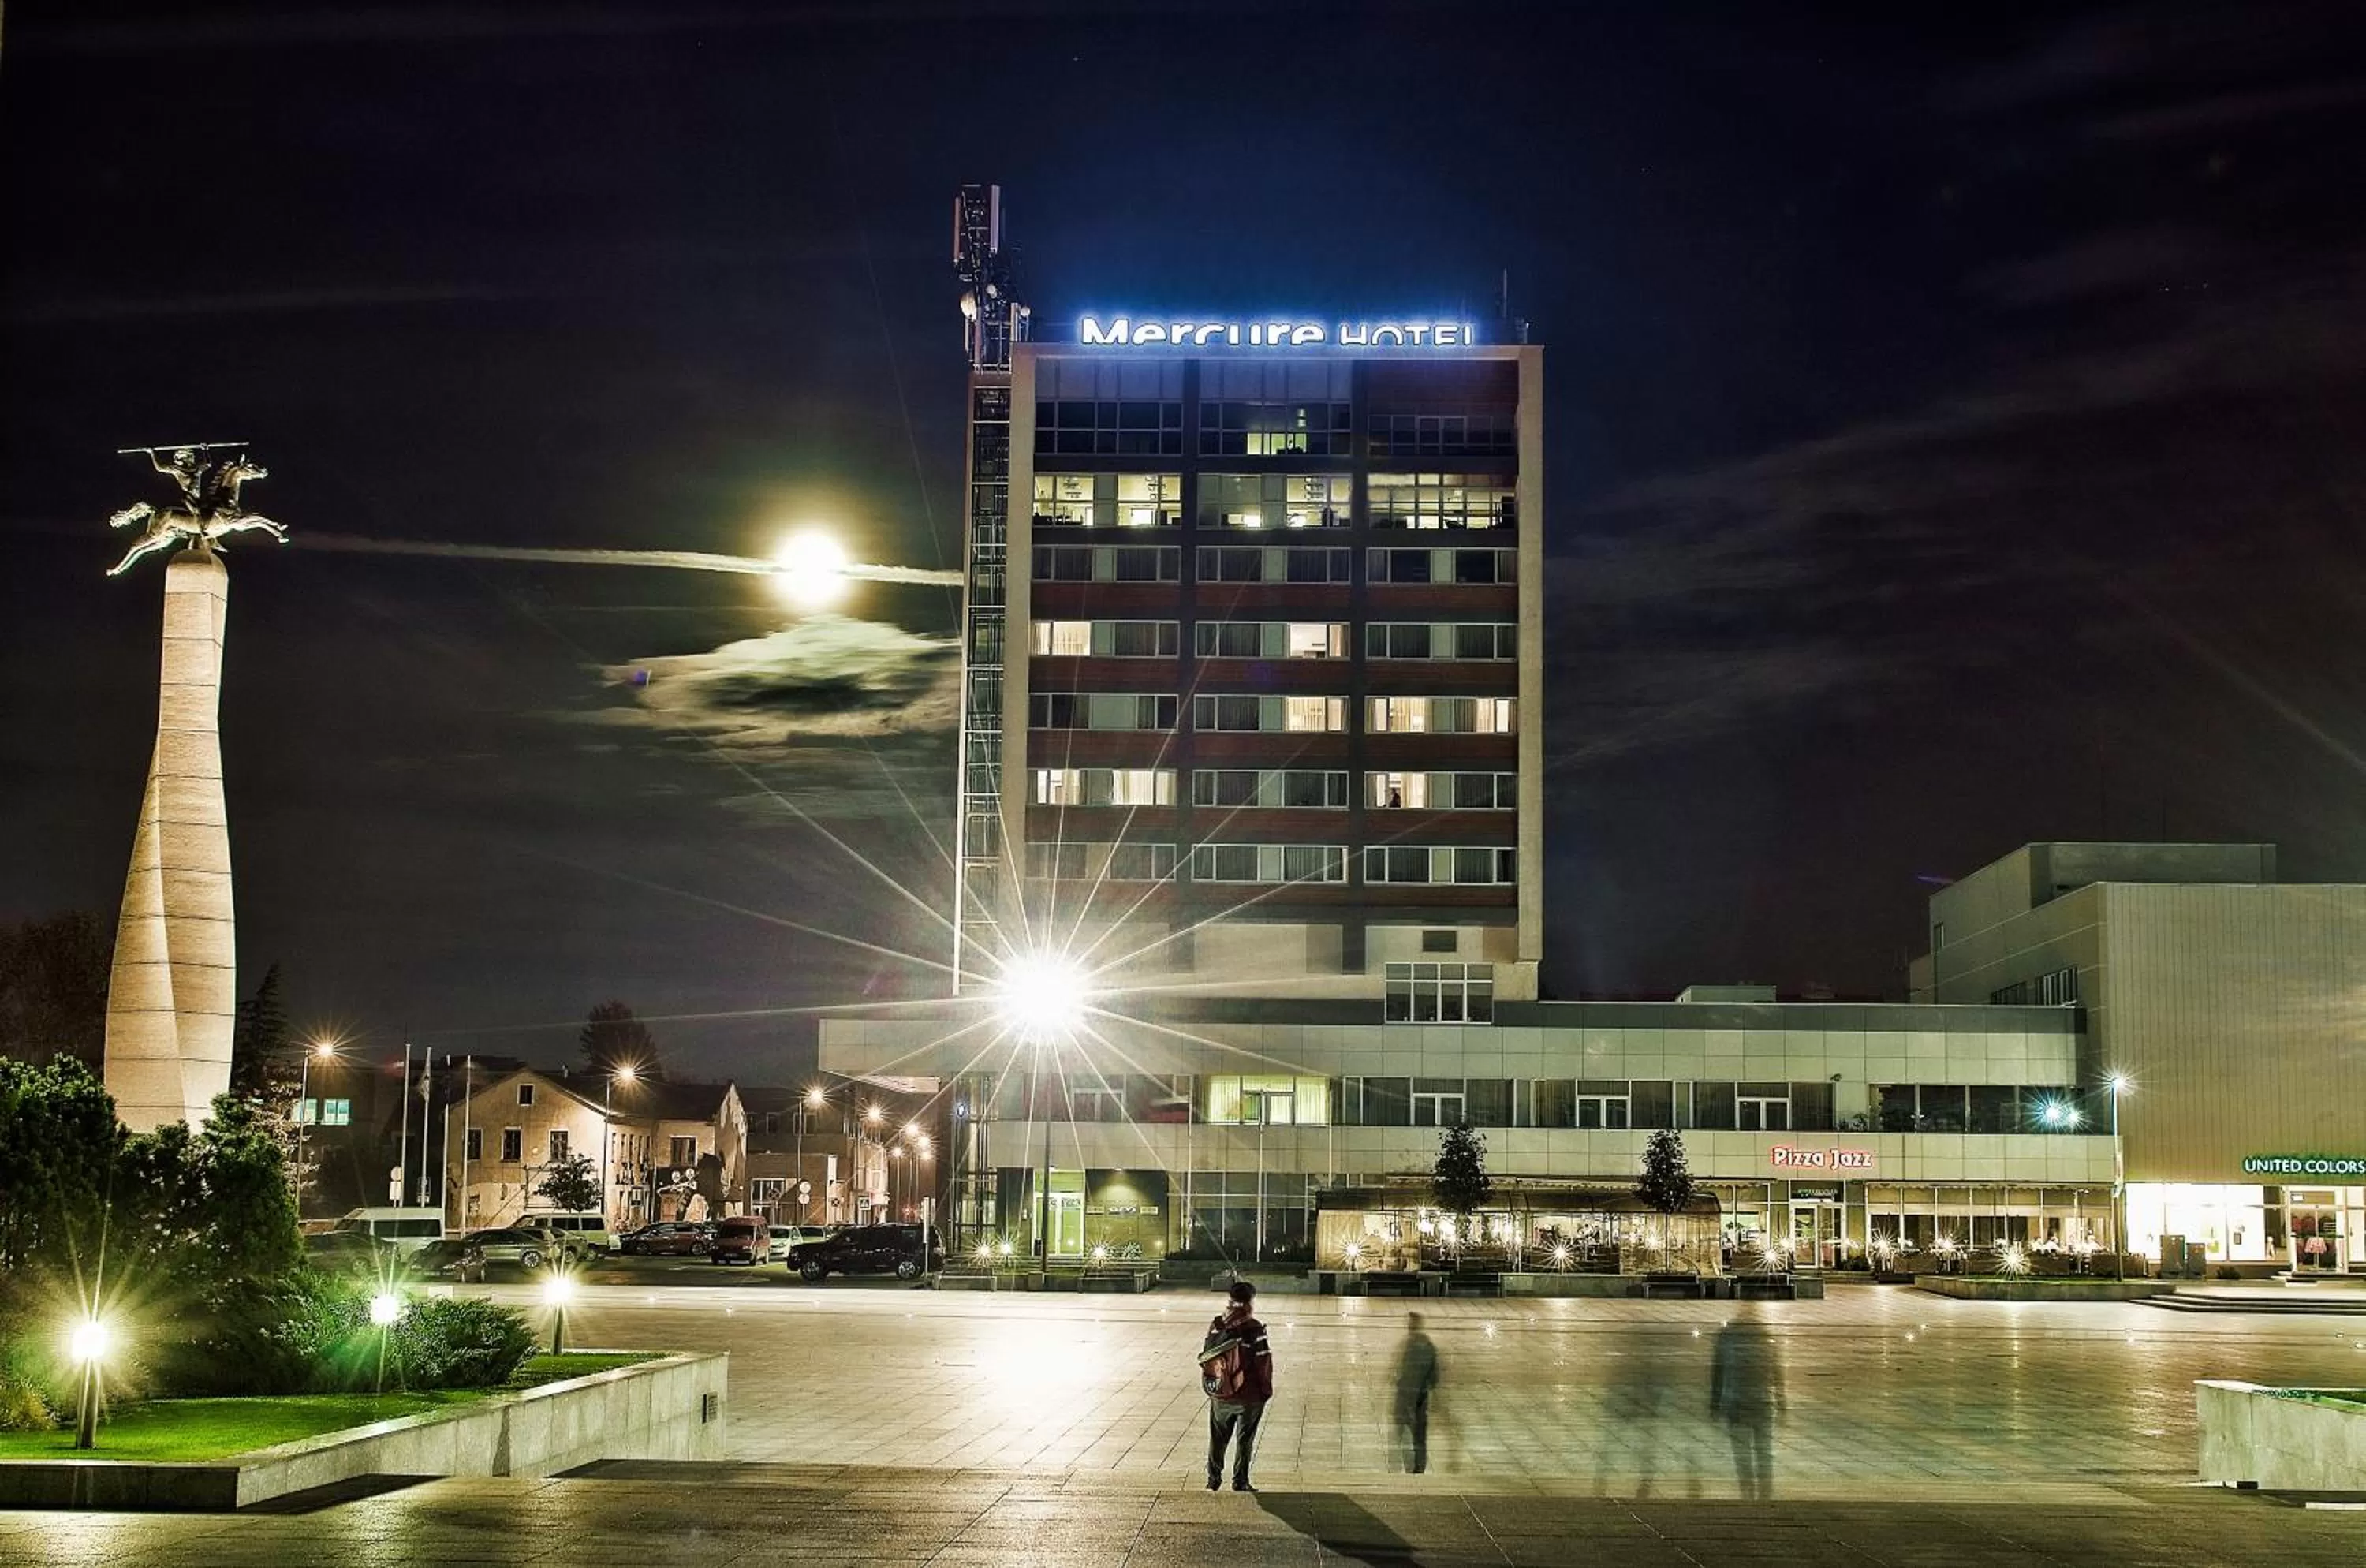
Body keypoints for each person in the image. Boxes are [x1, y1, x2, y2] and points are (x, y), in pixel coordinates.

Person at [1200, 1279, 1273, 1491]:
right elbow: (1263, 1362)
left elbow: (1206, 1357)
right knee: (1245, 1440)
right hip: (1249, 1395)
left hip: (1221, 1392)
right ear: (1251, 1300)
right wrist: (1265, 1391)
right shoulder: (1254, 1328)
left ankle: (1213, 1479)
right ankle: (1240, 1481)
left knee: (1217, 1438)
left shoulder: (1217, 1325)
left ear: (1230, 1299)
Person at [1708, 1312, 1785, 1500]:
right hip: (1763, 1402)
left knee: (1742, 1452)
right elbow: (1777, 1372)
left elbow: (1718, 1372)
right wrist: (1781, 1402)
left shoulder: (1727, 1337)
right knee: (1764, 1451)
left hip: (1736, 1403)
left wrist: (1715, 1403)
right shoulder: (1767, 1336)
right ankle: (1765, 1493)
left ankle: (1747, 1492)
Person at [1394, 1312, 1439, 1473]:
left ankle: (1413, 1468)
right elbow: (1434, 1377)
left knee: (1409, 1434)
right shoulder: (1425, 1345)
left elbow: (1406, 1372)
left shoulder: (1414, 1345)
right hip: (1417, 1397)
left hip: (1411, 1397)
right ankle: (1418, 1468)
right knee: (1417, 1436)